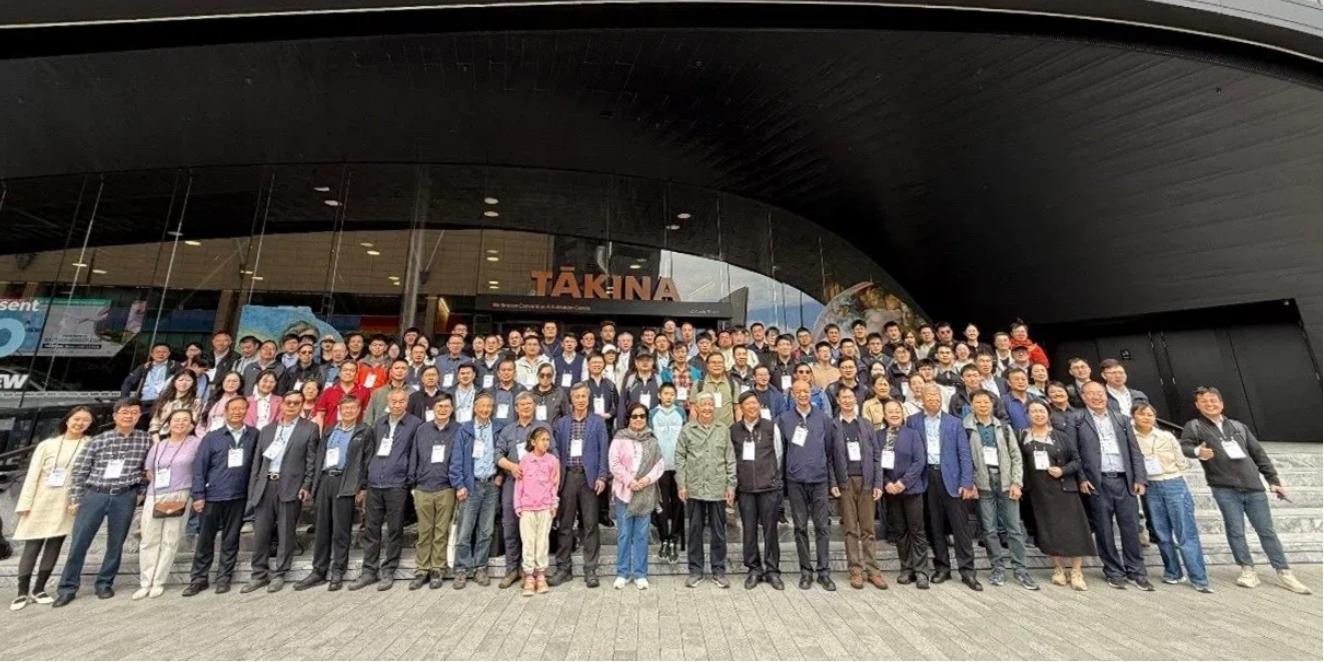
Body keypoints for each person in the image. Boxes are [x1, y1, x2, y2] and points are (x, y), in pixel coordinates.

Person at [1180, 386, 1311, 594]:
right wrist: (1198, 451)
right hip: (1224, 488)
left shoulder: (1238, 427)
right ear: (1198, 405)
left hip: (1253, 487)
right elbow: (1184, 446)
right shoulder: (1195, 426)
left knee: (1266, 531)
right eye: (1204, 401)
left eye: (1213, 400)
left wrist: (1273, 480)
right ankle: (1247, 569)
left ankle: (1284, 572)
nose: (1209, 404)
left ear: (1221, 403)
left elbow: (1258, 454)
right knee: (1235, 530)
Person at [53, 398, 153, 607]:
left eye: (133, 412)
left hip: (125, 496)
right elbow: (80, 470)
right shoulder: (98, 440)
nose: (129, 416)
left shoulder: (145, 440)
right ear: (115, 416)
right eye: (124, 412)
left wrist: (141, 492)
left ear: (139, 416)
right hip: (95, 494)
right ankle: (67, 587)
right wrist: (76, 499)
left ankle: (105, 583)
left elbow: (147, 469)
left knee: (116, 544)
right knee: (80, 543)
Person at [1070, 382, 1152, 590]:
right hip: (1097, 481)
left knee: (1131, 528)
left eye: (1100, 393)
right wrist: (1081, 478)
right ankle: (1113, 571)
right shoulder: (1077, 419)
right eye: (1091, 394)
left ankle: (1136, 571)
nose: (1097, 397)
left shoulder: (1121, 419)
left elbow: (1134, 451)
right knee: (1104, 529)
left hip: (1125, 480)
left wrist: (1140, 478)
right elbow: (1074, 452)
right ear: (1083, 397)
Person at [10, 407, 93, 610]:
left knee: (55, 544)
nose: (80, 423)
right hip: (41, 499)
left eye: (85, 420)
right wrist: (26, 503)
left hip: (67, 502)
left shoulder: (89, 444)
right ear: (67, 420)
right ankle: (22, 591)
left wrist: (80, 501)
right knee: (33, 544)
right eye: (76, 419)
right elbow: (32, 475)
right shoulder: (47, 445)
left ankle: (40, 588)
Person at [906, 385, 982, 591]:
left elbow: (964, 454)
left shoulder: (954, 422)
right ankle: (942, 567)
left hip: (952, 479)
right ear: (922, 400)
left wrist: (967, 482)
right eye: (929, 395)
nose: (933, 399)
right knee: (935, 526)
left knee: (961, 528)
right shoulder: (913, 421)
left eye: (936, 395)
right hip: (926, 477)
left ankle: (967, 571)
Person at [243, 391, 319, 593]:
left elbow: (311, 461)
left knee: (286, 532)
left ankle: (280, 573)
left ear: (301, 406)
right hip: (265, 485)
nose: (292, 406)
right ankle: (258, 574)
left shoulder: (309, 428)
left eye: (296, 403)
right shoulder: (267, 430)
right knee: (261, 533)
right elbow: (257, 462)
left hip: (291, 486)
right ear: (281, 405)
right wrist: (253, 488)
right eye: (288, 403)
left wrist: (307, 485)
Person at [295, 395, 373, 592]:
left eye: (352, 408)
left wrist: (362, 486)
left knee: (341, 530)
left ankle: (338, 571)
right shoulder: (329, 430)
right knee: (322, 529)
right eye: (345, 408)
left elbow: (367, 460)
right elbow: (319, 457)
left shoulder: (364, 431)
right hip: (325, 480)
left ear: (358, 411)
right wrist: (312, 485)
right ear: (339, 410)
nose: (348, 411)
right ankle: (318, 571)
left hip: (345, 482)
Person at [183, 397, 258, 596]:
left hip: (239, 495)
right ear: (225, 412)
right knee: (205, 540)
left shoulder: (253, 435)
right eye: (233, 409)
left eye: (241, 409)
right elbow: (199, 468)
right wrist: (198, 494)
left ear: (246, 411)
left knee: (231, 539)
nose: (237, 412)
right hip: (213, 495)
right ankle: (199, 579)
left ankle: (224, 577)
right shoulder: (212, 437)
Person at [1131, 402, 1209, 593]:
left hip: (1173, 482)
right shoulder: (1130, 438)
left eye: (1150, 415)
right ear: (1133, 417)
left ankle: (1198, 577)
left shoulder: (1166, 436)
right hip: (1151, 486)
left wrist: (1176, 475)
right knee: (1161, 532)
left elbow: (1181, 461)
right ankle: (1172, 572)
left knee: (1185, 531)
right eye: (1142, 414)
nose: (1147, 418)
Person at [963, 391, 1037, 590]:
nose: (982, 405)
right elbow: (964, 458)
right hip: (982, 483)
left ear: (992, 404)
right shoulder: (966, 428)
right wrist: (970, 483)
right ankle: (997, 568)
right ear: (972, 405)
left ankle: (1020, 569)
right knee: (989, 529)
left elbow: (1016, 456)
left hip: (1006, 481)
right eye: (978, 402)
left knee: (1014, 528)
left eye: (986, 402)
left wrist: (1016, 483)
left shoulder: (1004, 427)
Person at [351, 389, 422, 591]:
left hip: (397, 483)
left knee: (394, 529)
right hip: (375, 482)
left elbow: (414, 454)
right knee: (371, 529)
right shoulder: (379, 423)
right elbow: (370, 453)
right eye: (394, 402)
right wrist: (364, 482)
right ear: (388, 403)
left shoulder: (415, 424)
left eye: (401, 402)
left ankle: (389, 570)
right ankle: (369, 571)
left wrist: (409, 479)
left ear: (406, 403)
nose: (397, 405)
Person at [1020, 399, 1094, 591]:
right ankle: (1058, 568)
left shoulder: (1061, 436)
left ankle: (1076, 571)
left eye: (1041, 410)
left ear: (1048, 413)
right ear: (1027, 415)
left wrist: (1063, 470)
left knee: (1074, 529)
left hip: (1064, 489)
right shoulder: (1023, 437)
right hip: (1040, 492)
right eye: (1033, 411)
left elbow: (1076, 461)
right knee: (1049, 530)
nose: (1038, 414)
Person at [774, 380, 840, 591]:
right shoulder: (784, 420)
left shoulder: (823, 419)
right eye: (798, 392)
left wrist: (830, 479)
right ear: (792, 395)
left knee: (822, 527)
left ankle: (824, 571)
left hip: (819, 479)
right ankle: (805, 571)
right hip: (796, 481)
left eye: (806, 391)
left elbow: (829, 450)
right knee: (800, 527)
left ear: (811, 393)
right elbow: (781, 451)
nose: (803, 395)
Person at [133, 409, 202, 599]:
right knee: (149, 538)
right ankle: (145, 581)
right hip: (155, 494)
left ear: (192, 425)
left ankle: (158, 581)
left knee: (170, 539)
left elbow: (199, 469)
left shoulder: (196, 444)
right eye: (176, 420)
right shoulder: (159, 446)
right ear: (168, 424)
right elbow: (149, 471)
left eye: (185, 420)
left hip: (180, 493)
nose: (180, 423)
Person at [548, 384, 610, 587]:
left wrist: (602, 476)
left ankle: (590, 569)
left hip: (588, 478)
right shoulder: (562, 423)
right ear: (571, 399)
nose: (581, 400)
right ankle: (563, 568)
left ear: (588, 398)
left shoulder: (597, 422)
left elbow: (603, 450)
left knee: (590, 525)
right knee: (565, 525)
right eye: (577, 397)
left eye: (584, 396)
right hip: (567, 477)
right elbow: (556, 452)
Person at [676, 393, 737, 588]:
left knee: (719, 531)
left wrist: (731, 485)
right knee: (695, 530)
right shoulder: (687, 430)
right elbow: (680, 457)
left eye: (710, 404)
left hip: (718, 488)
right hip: (694, 488)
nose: (707, 408)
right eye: (703, 404)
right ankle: (696, 570)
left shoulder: (723, 430)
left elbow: (730, 458)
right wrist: (681, 484)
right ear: (697, 408)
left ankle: (718, 570)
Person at [495, 394, 555, 588]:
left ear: (534, 406)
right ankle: (512, 569)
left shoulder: (543, 428)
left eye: (529, 403)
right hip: (513, 482)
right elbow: (497, 454)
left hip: (539, 488)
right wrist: (511, 466)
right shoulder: (508, 430)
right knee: (510, 526)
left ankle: (533, 571)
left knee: (536, 532)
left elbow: (553, 456)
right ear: (516, 408)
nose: (526, 407)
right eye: (522, 404)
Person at [404, 394, 461, 591]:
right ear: (433, 408)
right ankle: (421, 569)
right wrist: (412, 482)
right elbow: (414, 455)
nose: (443, 410)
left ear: (452, 409)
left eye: (446, 406)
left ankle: (437, 569)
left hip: (446, 487)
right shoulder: (422, 430)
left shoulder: (458, 430)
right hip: (423, 487)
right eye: (439, 406)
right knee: (424, 531)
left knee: (441, 531)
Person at [831, 388, 885, 590]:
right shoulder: (833, 425)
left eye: (850, 397)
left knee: (868, 529)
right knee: (850, 529)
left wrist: (878, 483)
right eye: (843, 397)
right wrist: (833, 482)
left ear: (856, 400)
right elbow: (829, 458)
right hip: (845, 482)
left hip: (867, 481)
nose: (847, 400)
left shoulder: (866, 424)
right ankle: (855, 571)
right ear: (838, 400)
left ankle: (873, 571)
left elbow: (877, 455)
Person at [730, 392, 783, 591]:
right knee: (749, 530)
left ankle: (772, 570)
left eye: (755, 403)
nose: (752, 407)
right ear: (741, 408)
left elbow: (779, 454)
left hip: (768, 486)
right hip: (745, 488)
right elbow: (731, 458)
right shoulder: (734, 430)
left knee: (771, 530)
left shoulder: (770, 427)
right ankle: (754, 568)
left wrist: (773, 476)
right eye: (748, 404)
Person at [609, 403, 665, 590]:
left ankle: (640, 574)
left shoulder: (652, 440)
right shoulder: (620, 438)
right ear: (628, 419)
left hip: (645, 492)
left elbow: (659, 464)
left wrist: (646, 480)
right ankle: (622, 573)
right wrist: (630, 481)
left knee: (642, 534)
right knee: (625, 534)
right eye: (635, 416)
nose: (639, 419)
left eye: (642, 416)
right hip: (625, 492)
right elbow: (614, 463)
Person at [450, 394, 503, 589]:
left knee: (486, 530)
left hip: (490, 485)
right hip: (471, 485)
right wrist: (459, 484)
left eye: (489, 406)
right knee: (465, 530)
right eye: (482, 406)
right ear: (474, 407)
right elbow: (456, 458)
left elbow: (503, 453)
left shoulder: (497, 428)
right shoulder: (465, 430)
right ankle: (461, 569)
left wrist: (500, 475)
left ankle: (481, 567)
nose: (485, 409)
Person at [873, 400, 926, 588]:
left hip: (911, 489)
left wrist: (904, 482)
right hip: (891, 492)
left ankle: (921, 571)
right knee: (900, 531)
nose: (894, 414)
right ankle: (907, 568)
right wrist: (886, 483)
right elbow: (876, 462)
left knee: (916, 531)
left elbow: (919, 461)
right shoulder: (878, 436)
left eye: (897, 411)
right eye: (890, 411)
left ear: (902, 413)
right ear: (884, 415)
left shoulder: (912, 434)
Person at [515, 427, 561, 597]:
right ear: (533, 442)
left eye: (547, 440)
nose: (545, 443)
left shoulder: (552, 461)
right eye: (542, 440)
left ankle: (541, 574)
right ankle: (529, 575)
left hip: (545, 507)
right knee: (528, 541)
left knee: (542, 541)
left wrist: (554, 503)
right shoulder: (525, 460)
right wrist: (518, 505)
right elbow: (519, 484)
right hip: (527, 507)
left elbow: (554, 485)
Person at [651, 383, 687, 563]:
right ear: (659, 395)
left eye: (672, 394)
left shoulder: (680, 412)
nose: (668, 397)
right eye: (665, 393)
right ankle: (664, 538)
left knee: (678, 503)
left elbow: (685, 437)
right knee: (661, 504)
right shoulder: (652, 414)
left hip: (678, 465)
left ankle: (674, 538)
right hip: (660, 466)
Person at [311, 361, 371, 432]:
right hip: (330, 432)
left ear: (356, 374)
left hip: (354, 432)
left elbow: (366, 414)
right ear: (339, 373)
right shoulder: (328, 391)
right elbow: (320, 415)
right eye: (345, 370)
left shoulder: (364, 391)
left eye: (352, 370)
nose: (348, 372)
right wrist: (320, 435)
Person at [147, 370, 203, 436]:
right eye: (180, 380)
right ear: (174, 382)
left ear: (193, 383)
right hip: (157, 434)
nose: (184, 383)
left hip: (179, 436)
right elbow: (155, 422)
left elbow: (193, 422)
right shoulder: (164, 399)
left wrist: (175, 438)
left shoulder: (196, 402)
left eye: (188, 380)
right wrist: (156, 438)